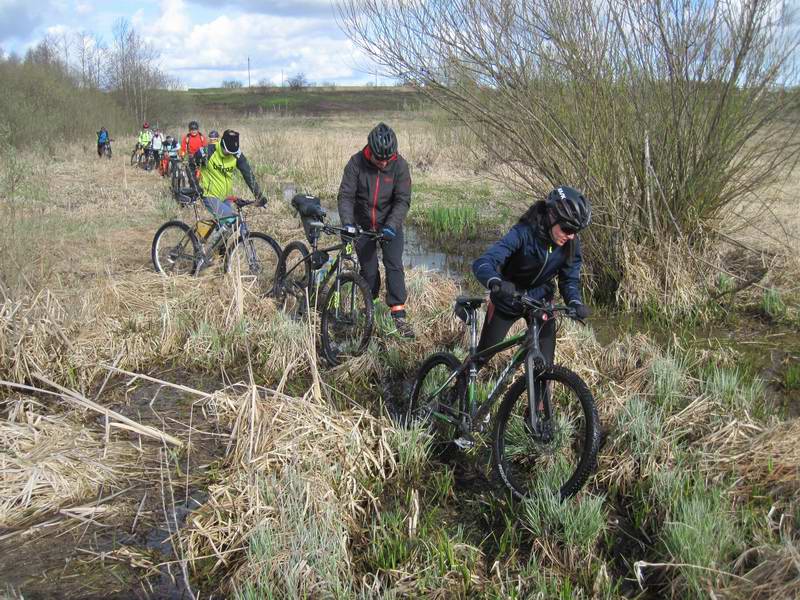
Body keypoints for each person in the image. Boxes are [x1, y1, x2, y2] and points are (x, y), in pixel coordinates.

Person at [472, 186, 592, 366]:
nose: (571, 236)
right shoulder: (524, 233)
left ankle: (537, 389)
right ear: (552, 216)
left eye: (576, 231)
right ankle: (460, 386)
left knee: (544, 367)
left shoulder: (571, 243)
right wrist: (496, 282)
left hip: (540, 303)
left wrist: (574, 302)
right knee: (482, 358)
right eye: (567, 228)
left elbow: (569, 279)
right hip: (508, 297)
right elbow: (485, 261)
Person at [337, 122, 414, 338]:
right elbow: (346, 196)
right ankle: (371, 305)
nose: (382, 163)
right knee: (369, 270)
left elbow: (402, 200)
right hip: (363, 223)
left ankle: (398, 314)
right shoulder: (356, 163)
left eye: (386, 160)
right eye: (379, 159)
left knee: (394, 265)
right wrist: (348, 223)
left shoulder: (400, 166)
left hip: (390, 223)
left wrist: (391, 225)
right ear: (370, 150)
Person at [191, 129, 268, 257]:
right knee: (231, 219)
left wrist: (259, 195)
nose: (230, 155)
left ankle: (215, 254)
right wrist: (195, 186)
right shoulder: (209, 151)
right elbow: (191, 164)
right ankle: (211, 252)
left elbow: (248, 174)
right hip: (209, 194)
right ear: (222, 145)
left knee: (227, 226)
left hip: (225, 196)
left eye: (233, 152)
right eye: (228, 152)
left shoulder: (236, 154)